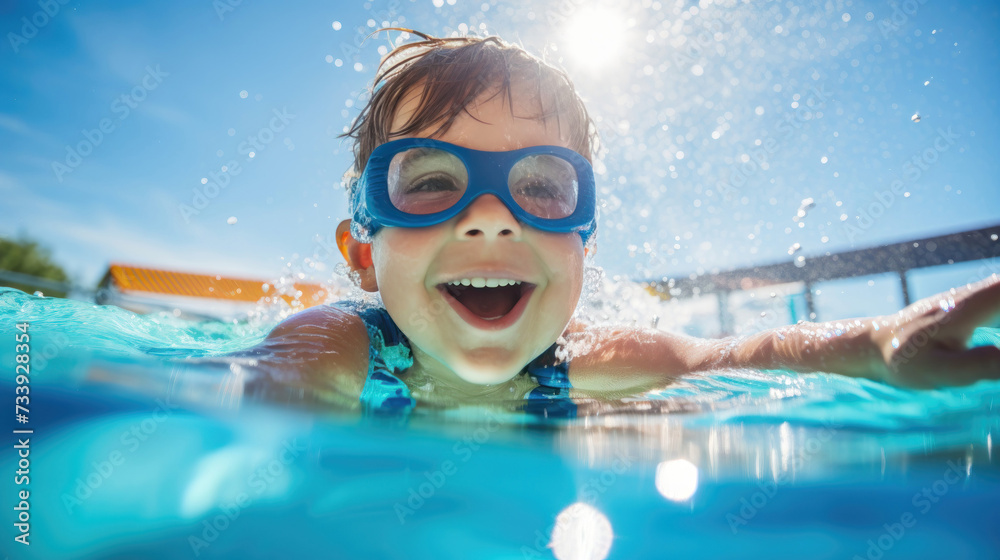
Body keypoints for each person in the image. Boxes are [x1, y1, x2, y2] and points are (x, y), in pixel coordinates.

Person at [253, 29, 1000, 412]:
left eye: (541, 186)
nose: (489, 220)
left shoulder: (591, 361)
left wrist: (876, 341)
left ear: (585, 243)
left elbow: (746, 355)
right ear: (361, 251)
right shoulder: (335, 348)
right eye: (431, 181)